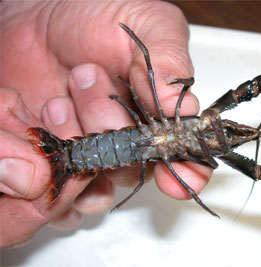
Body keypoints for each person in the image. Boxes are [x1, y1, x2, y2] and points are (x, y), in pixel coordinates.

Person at [0, 0, 212, 248]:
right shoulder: (193, 137)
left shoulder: (195, 149)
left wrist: (17, 13)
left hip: (118, 149)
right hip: (110, 148)